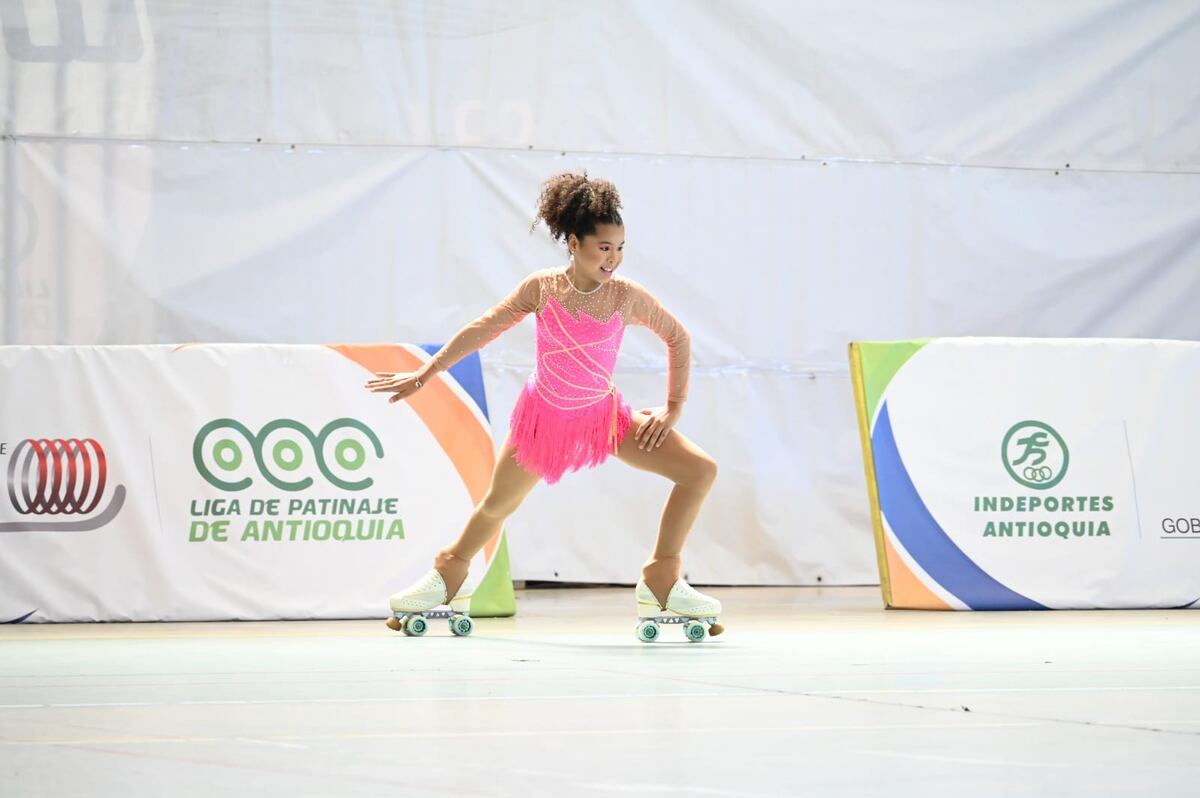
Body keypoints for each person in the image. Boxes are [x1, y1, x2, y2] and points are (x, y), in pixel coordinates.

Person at [365, 171, 722, 637]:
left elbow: (678, 336)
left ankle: (662, 576)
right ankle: (449, 576)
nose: (613, 258)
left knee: (700, 471)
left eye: (619, 247)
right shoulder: (543, 288)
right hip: (543, 421)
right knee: (495, 506)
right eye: (603, 247)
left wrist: (673, 406)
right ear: (574, 242)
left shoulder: (626, 297)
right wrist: (427, 373)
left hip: (602, 419)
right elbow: (483, 327)